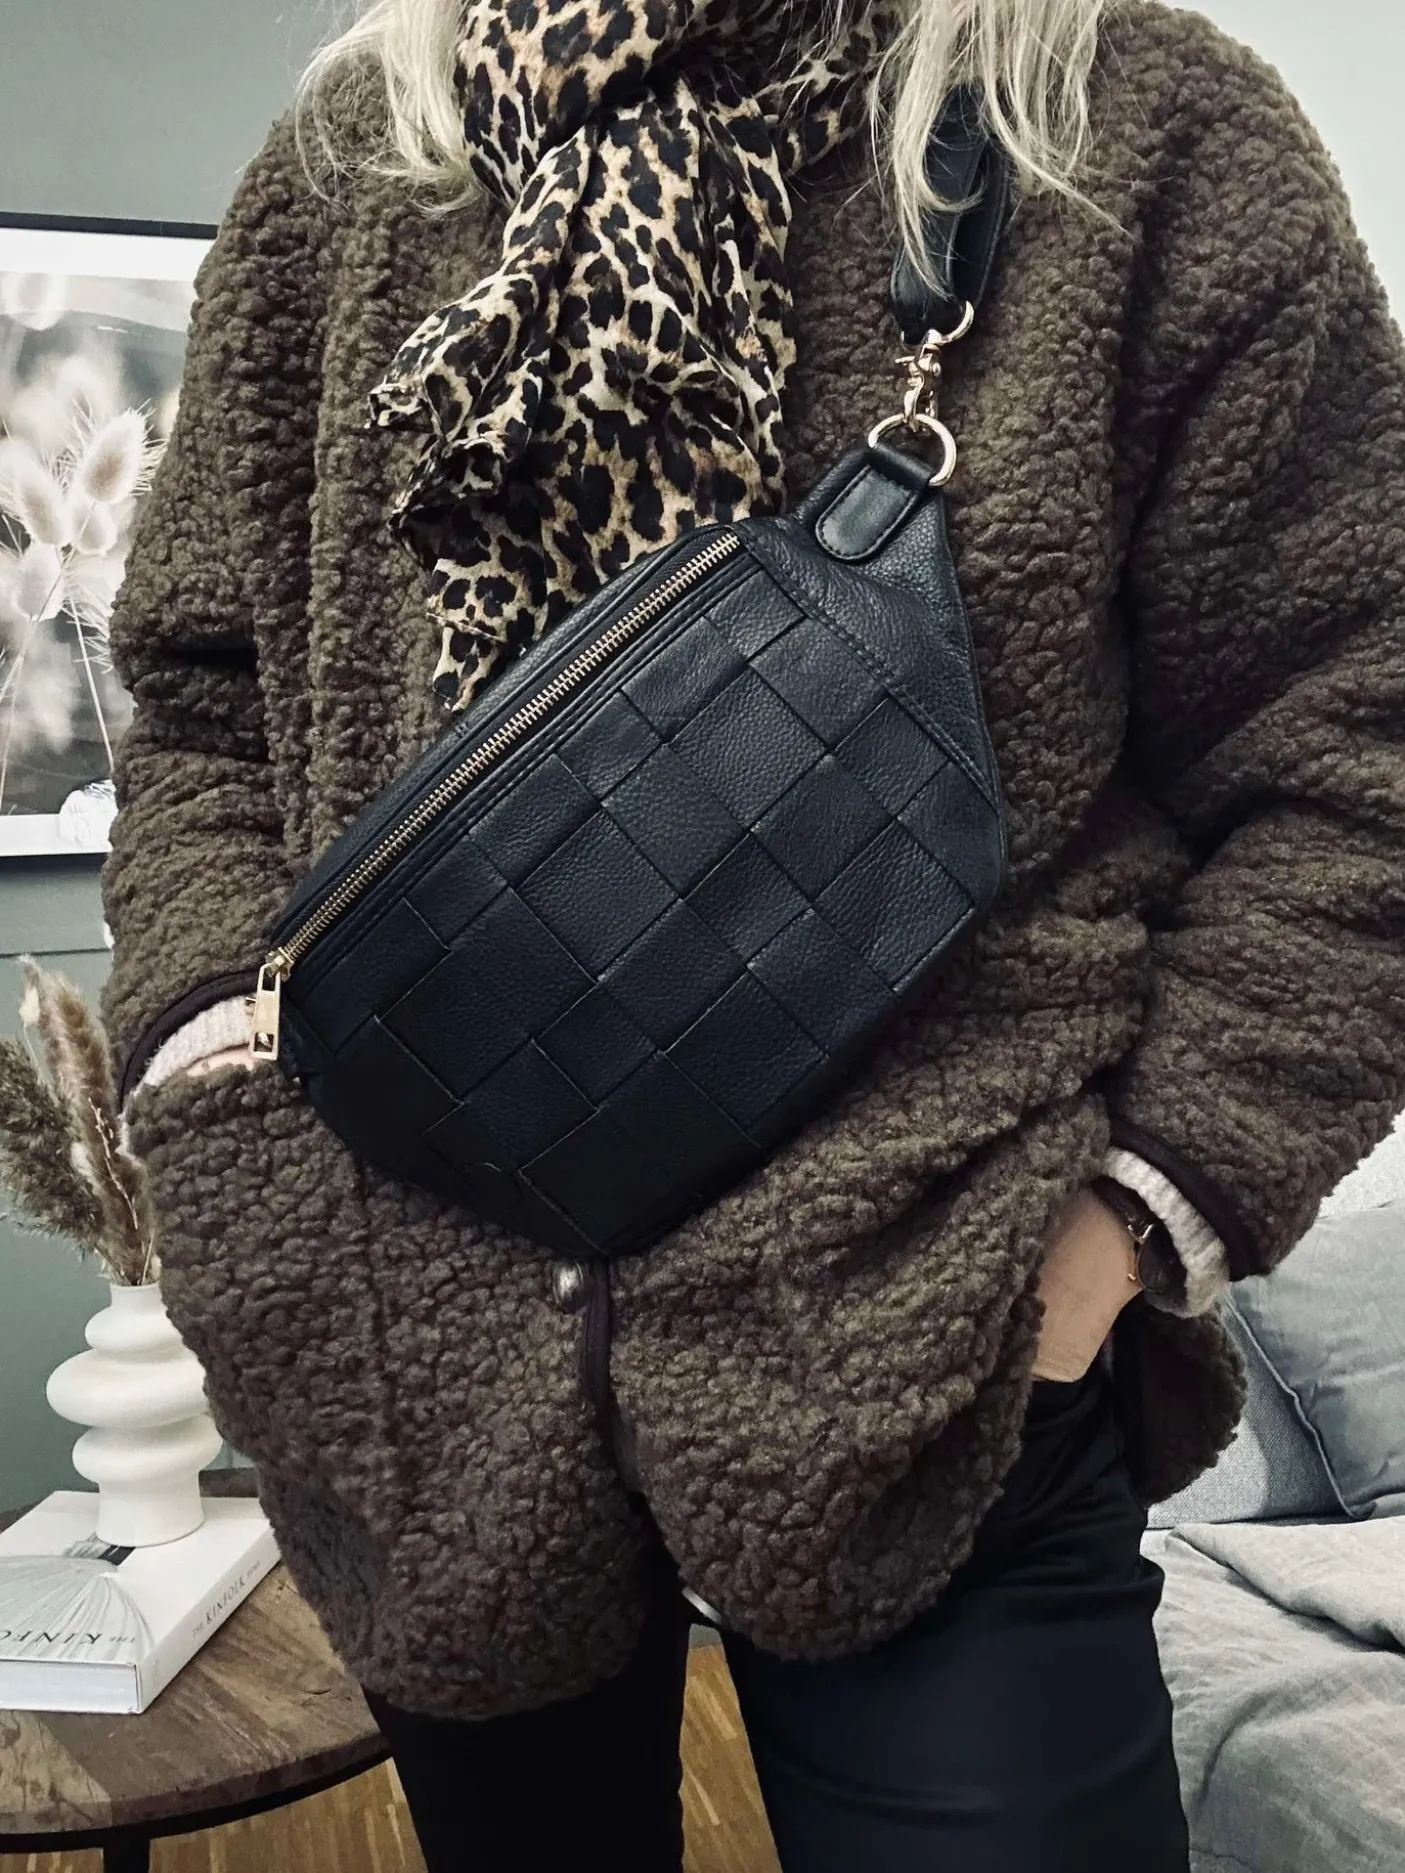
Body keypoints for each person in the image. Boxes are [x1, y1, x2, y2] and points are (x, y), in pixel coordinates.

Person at [101, 0, 1405, 1867]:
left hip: (937, 1347)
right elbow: (202, 699)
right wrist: (220, 1082)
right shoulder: (355, 166)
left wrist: (1128, 1222)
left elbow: (1357, 742)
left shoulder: (1126, 120)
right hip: (411, 1337)